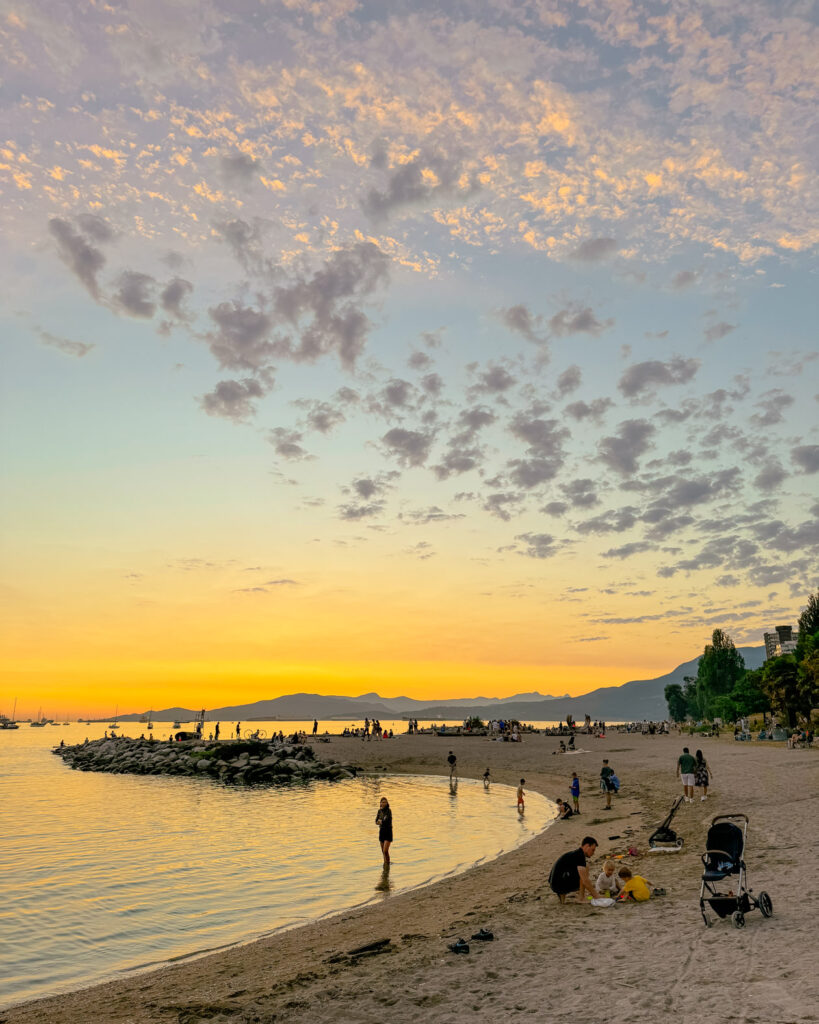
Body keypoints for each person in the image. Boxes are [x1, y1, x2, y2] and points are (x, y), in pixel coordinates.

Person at [548, 836, 599, 904]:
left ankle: (563, 896)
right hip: (558, 885)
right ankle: (581, 898)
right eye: (593, 850)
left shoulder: (575, 853)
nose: (593, 853)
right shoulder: (579, 855)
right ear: (587, 846)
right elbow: (585, 880)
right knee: (585, 870)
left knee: (583, 869)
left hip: (554, 884)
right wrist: (597, 896)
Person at [375, 797, 393, 865]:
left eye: (385, 802)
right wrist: (378, 822)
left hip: (388, 832)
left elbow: (387, 820)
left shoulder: (389, 811)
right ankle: (385, 865)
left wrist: (381, 821)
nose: (383, 803)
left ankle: (388, 863)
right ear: (380, 803)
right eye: (382, 802)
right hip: (381, 832)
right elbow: (376, 821)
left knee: (385, 851)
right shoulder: (379, 811)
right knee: (383, 851)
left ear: (387, 803)